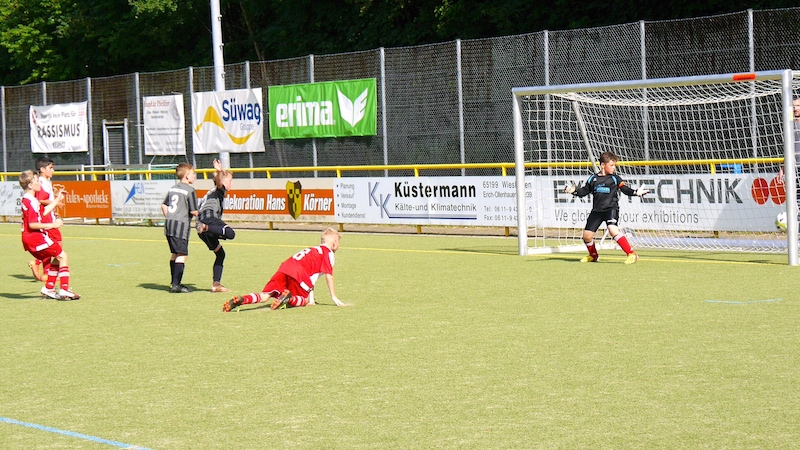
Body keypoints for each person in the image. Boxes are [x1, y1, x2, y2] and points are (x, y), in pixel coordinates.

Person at [223, 228, 346, 312]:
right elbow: (327, 276)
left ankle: (244, 299)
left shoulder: (313, 249)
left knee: (264, 296)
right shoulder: (328, 253)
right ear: (335, 242)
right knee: (303, 300)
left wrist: (312, 299)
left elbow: (312, 278)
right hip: (299, 272)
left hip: (286, 266)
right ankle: (289, 298)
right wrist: (333, 297)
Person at [564, 151, 649, 264]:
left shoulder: (615, 178)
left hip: (611, 209)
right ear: (603, 165)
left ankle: (632, 254)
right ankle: (593, 256)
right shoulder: (593, 178)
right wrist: (573, 191)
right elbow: (583, 192)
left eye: (614, 165)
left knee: (613, 229)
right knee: (587, 236)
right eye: (611, 165)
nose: (614, 168)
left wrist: (635, 192)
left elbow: (625, 189)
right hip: (597, 211)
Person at [19, 170, 80, 300]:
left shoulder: (29, 199)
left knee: (57, 257)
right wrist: (53, 224)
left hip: (30, 238)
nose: (39, 183)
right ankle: (64, 289)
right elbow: (32, 224)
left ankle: (49, 288)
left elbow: (43, 212)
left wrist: (57, 199)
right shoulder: (31, 201)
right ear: (30, 185)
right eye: (36, 181)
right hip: (36, 237)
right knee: (63, 256)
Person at [196, 159, 235, 293]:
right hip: (208, 221)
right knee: (230, 233)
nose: (232, 183)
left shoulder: (209, 194)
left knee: (220, 254)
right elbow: (219, 183)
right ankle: (206, 228)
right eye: (230, 180)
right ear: (223, 181)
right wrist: (219, 171)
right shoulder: (219, 190)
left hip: (200, 227)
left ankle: (216, 285)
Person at [162, 162, 198, 293]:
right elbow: (194, 211)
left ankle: (174, 282)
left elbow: (164, 205)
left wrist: (170, 216)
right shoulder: (190, 190)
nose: (194, 176)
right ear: (187, 175)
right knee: (182, 254)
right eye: (193, 173)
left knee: (175, 254)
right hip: (180, 226)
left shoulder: (173, 188)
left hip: (169, 224)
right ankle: (176, 285)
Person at [27, 156, 60, 282]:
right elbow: (40, 200)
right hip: (46, 219)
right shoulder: (41, 182)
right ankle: (44, 269)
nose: (53, 170)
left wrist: (54, 209)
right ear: (42, 169)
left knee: (54, 246)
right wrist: (56, 202)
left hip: (48, 217)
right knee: (57, 246)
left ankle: (46, 271)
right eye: (50, 168)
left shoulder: (45, 181)